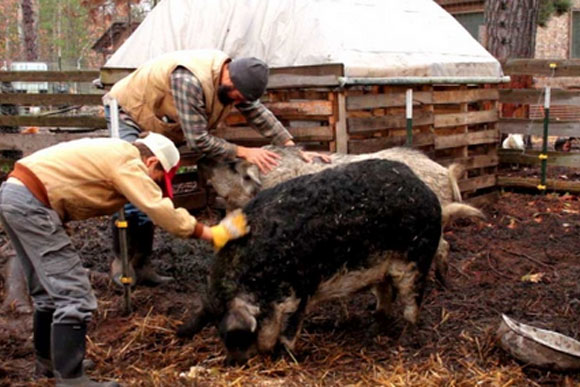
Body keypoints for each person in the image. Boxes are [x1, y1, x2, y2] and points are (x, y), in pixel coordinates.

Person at [0, 133, 248, 386]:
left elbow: (65, 182)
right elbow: (158, 208)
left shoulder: (114, 152)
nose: (156, 185)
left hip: (16, 196)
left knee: (47, 293)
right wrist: (210, 232)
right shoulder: (129, 162)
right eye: (159, 178)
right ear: (151, 163)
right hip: (32, 204)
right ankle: (72, 380)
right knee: (74, 295)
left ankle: (49, 362)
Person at [103, 49, 329, 286]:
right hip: (128, 112)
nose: (238, 104)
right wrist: (243, 151)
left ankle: (142, 264)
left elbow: (260, 114)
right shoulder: (188, 80)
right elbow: (198, 139)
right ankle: (122, 262)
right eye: (238, 98)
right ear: (229, 78)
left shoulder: (233, 82)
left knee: (152, 187)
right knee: (134, 185)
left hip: (161, 118)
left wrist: (293, 149)